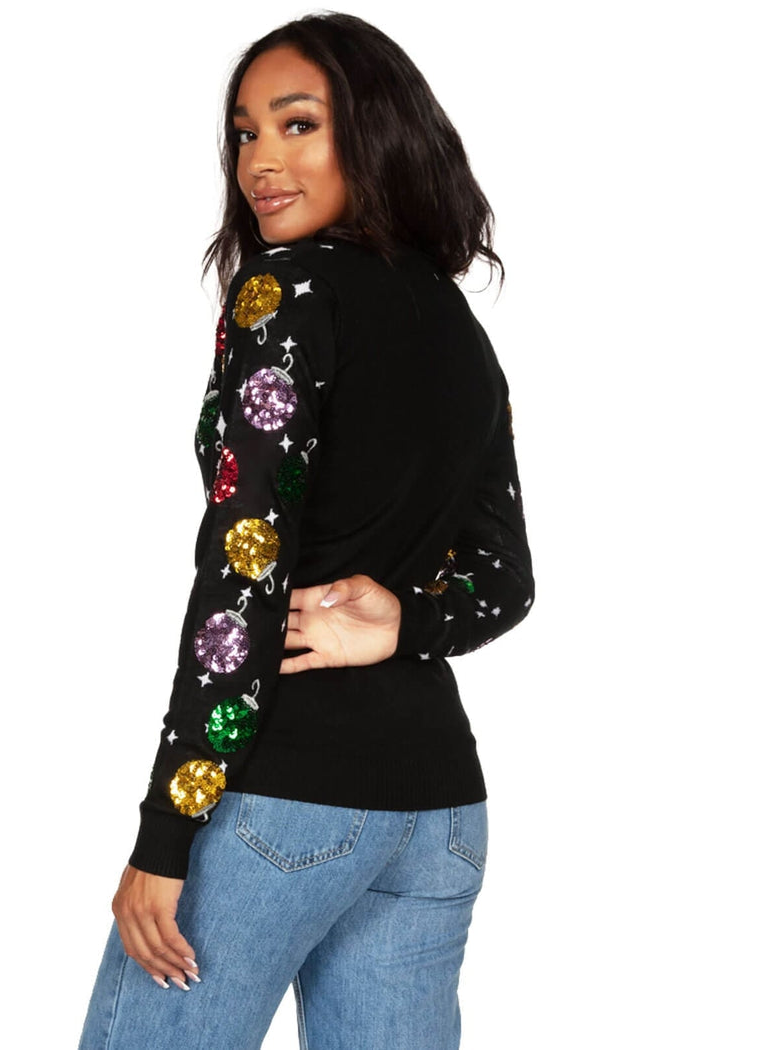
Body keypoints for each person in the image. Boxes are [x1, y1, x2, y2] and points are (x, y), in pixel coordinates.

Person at [79, 12, 534, 1050]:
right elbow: (503, 578)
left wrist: (166, 833)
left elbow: (240, 579)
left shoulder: (285, 293)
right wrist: (405, 622)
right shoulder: (458, 326)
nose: (260, 162)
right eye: (245, 133)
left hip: (283, 799)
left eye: (297, 125)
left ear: (375, 132)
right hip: (437, 815)